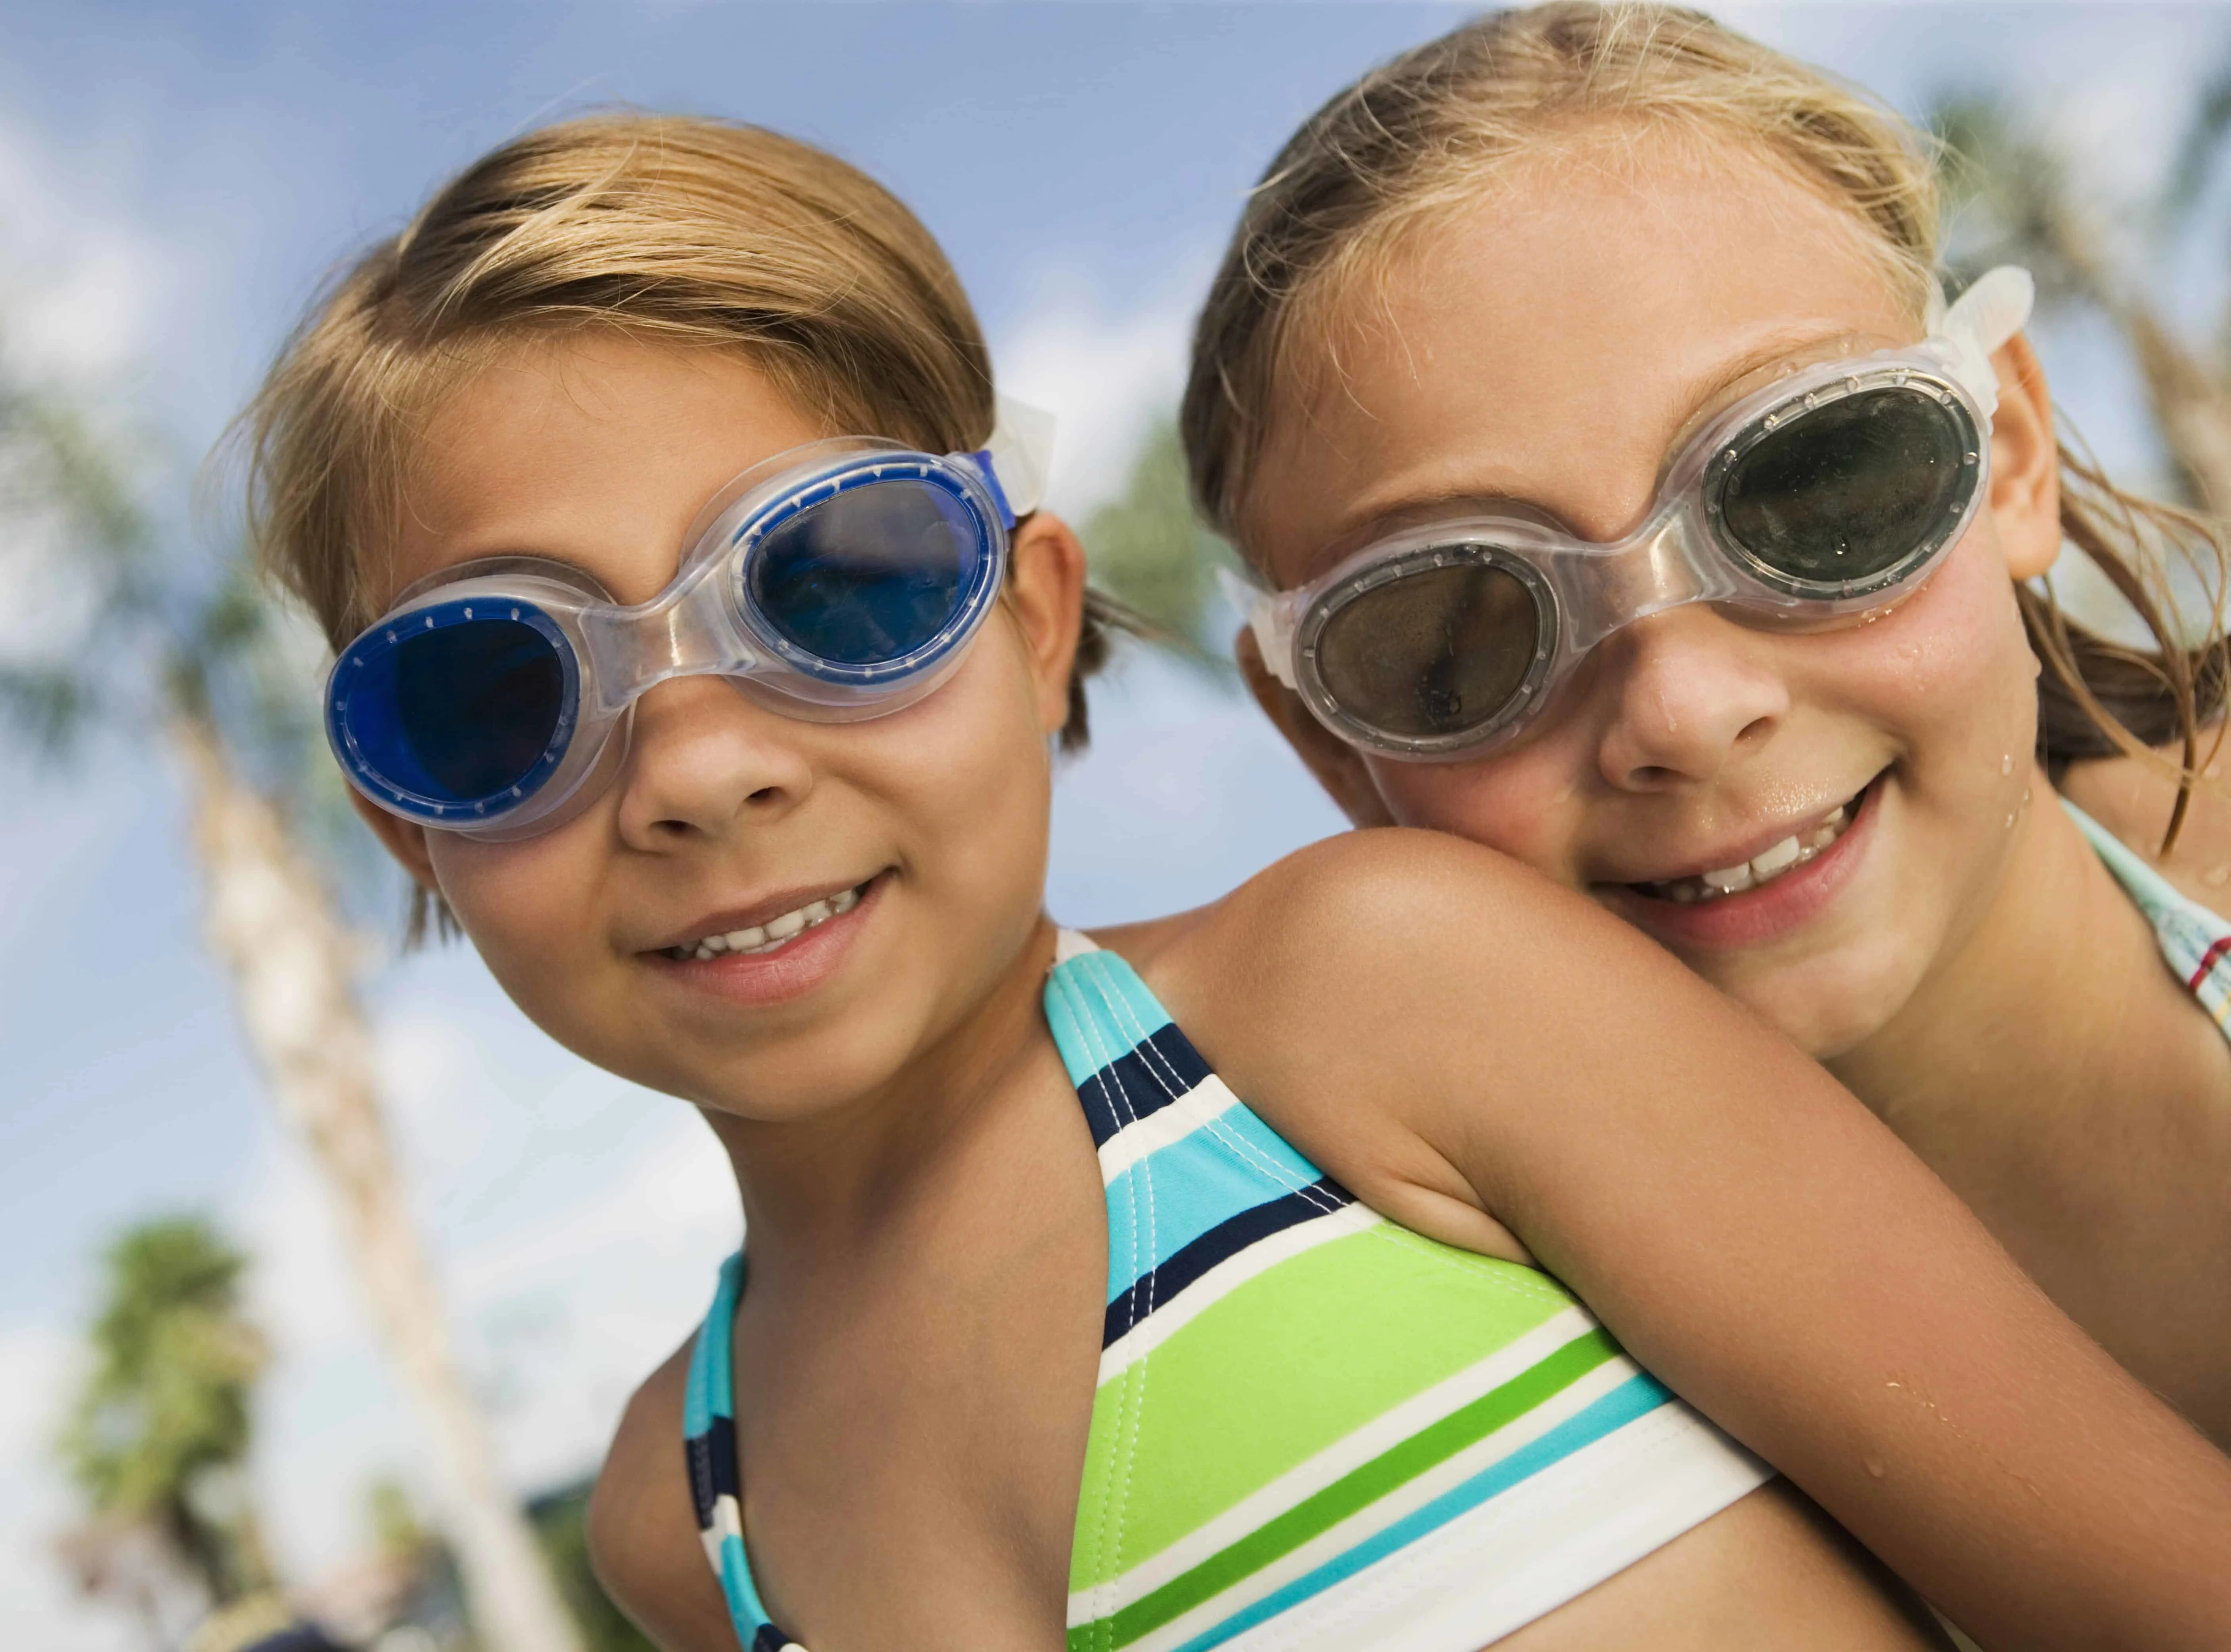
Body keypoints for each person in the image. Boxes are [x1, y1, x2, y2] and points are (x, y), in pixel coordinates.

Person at [242, 113, 2231, 1652]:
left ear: (1032, 623)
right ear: (406, 820)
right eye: (497, 690)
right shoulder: (684, 1517)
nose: (698, 764)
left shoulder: (1379, 1003)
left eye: (834, 584)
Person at [1189, 1, 2231, 1449]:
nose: (1682, 709)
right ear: (1325, 746)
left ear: (2008, 458)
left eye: (1809, 488)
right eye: (1460, 635)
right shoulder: (1467, 1403)